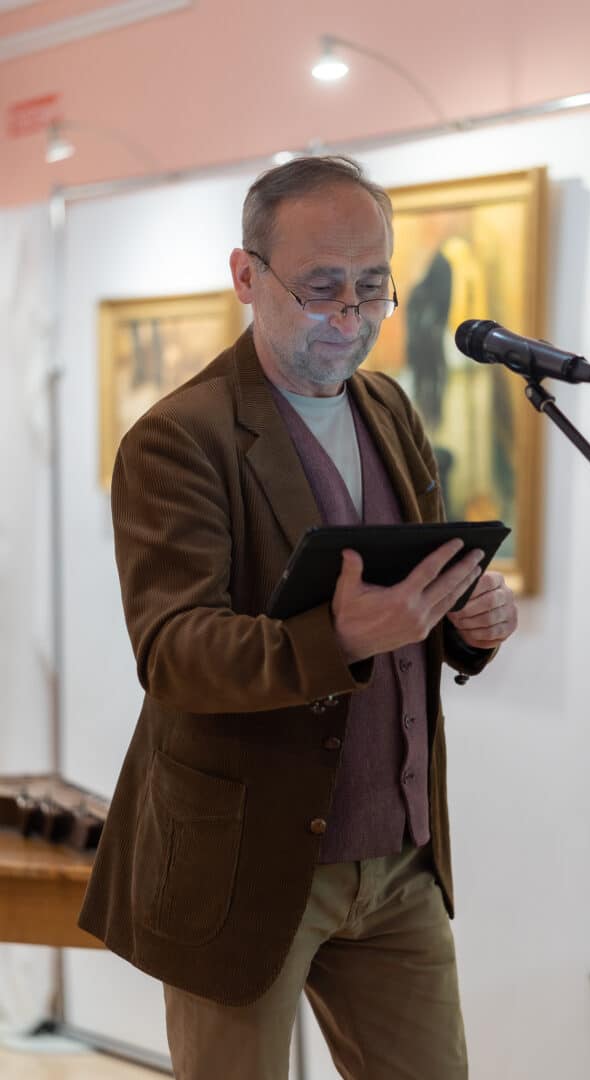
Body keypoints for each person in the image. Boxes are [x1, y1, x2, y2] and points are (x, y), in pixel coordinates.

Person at [78, 155, 518, 1080]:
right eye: (322, 288)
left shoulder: (389, 407)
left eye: (373, 286)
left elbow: (418, 592)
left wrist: (467, 621)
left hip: (398, 858)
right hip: (241, 867)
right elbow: (174, 652)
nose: (350, 316)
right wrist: (343, 636)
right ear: (247, 276)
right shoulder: (179, 437)